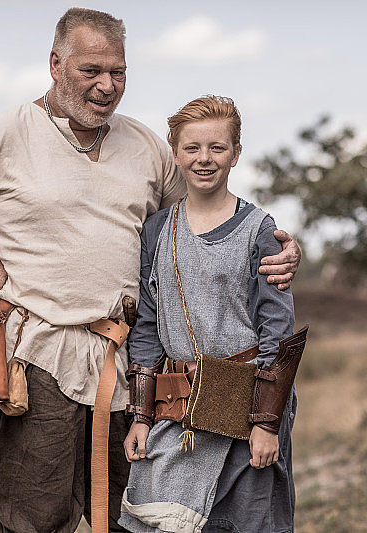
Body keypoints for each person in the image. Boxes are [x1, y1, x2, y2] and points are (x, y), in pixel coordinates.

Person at [0, 9, 300, 533]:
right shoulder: (2, 135)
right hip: (38, 356)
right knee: (37, 518)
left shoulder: (145, 146)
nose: (106, 86)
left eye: (117, 72)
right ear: (55, 64)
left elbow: (203, 219)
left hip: (132, 366)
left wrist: (274, 247)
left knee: (135, 513)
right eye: (90, 70)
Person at [118, 95, 302, 533]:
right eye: (192, 148)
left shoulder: (260, 230)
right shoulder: (158, 230)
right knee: (153, 520)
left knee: (244, 523)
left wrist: (266, 423)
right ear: (176, 153)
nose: (204, 159)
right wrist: (141, 416)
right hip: (175, 408)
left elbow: (277, 332)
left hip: (246, 406)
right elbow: (147, 324)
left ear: (235, 154)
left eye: (217, 148)